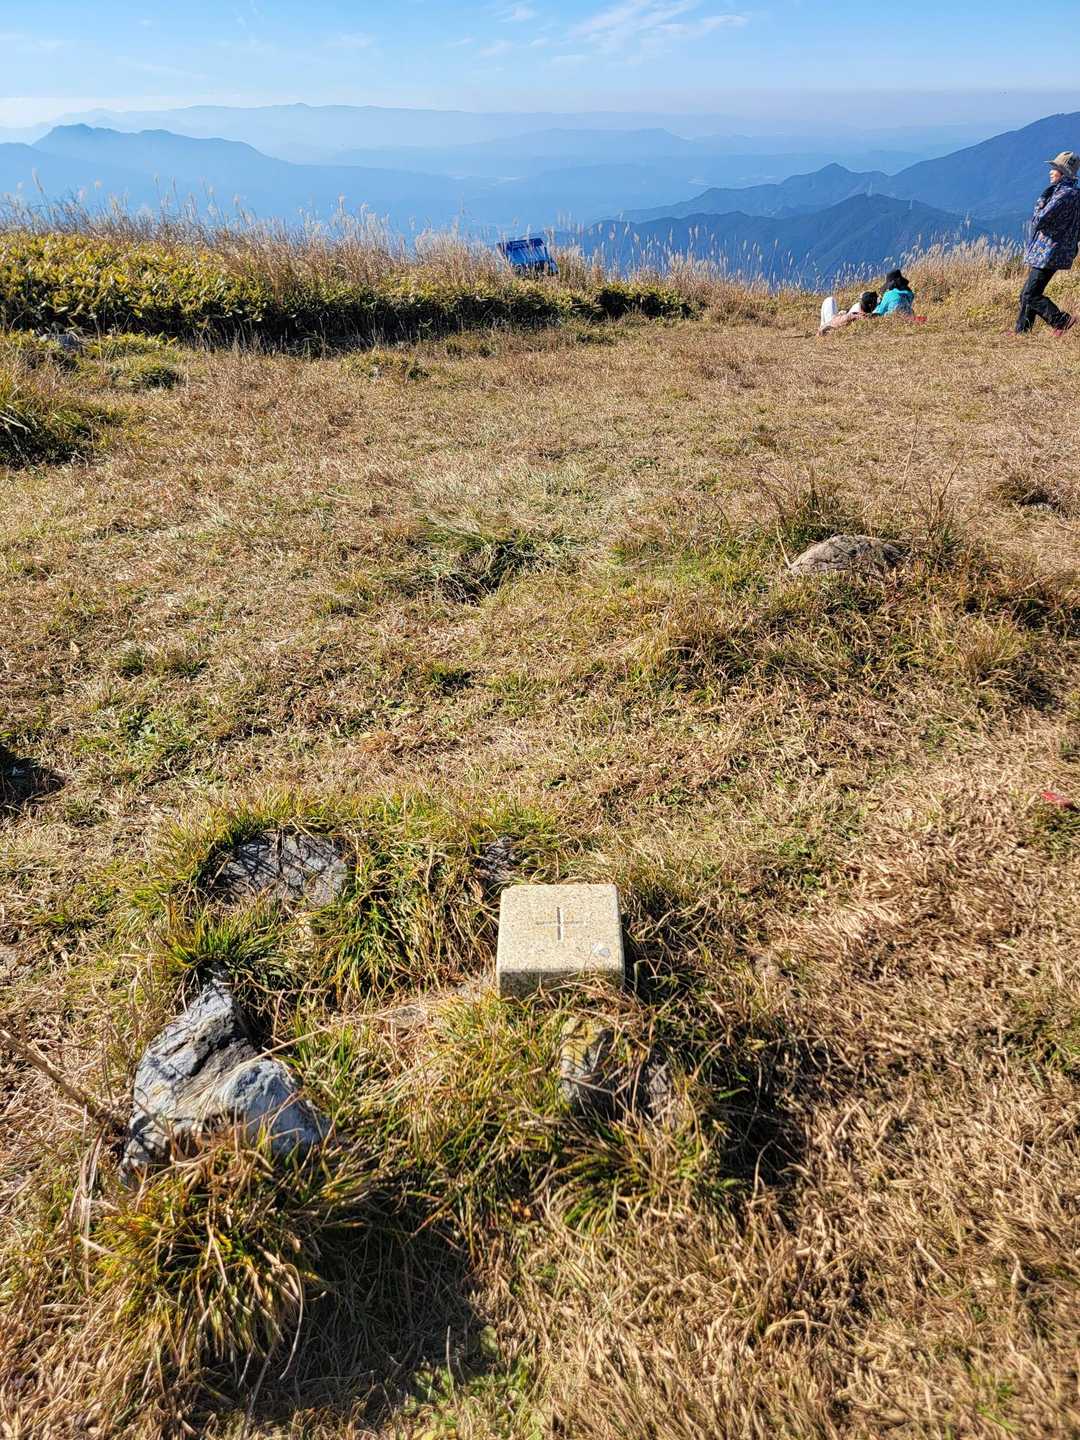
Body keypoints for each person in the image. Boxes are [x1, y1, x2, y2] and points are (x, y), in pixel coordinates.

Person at [1016, 150, 1080, 336]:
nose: (1051, 172)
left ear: (1064, 173)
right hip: (1057, 250)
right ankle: (1022, 332)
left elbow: (1040, 219)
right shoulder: (1074, 193)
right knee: (1028, 292)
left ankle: (1061, 320)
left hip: (1049, 251)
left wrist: (1042, 199)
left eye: (1055, 168)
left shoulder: (1063, 194)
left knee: (1029, 294)